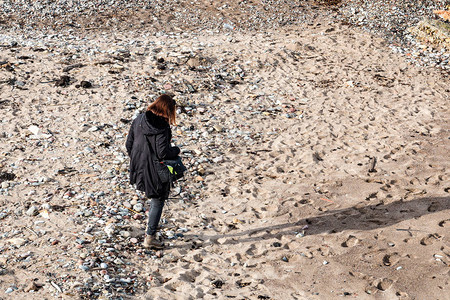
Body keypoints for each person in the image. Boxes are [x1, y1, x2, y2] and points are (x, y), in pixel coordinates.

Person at [125, 94, 180, 249]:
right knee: (158, 200)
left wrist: (138, 160)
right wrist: (176, 150)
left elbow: (129, 144)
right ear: (168, 110)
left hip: (138, 167)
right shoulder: (162, 127)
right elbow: (163, 153)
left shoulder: (139, 119)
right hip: (154, 170)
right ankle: (150, 238)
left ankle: (150, 232)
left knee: (151, 198)